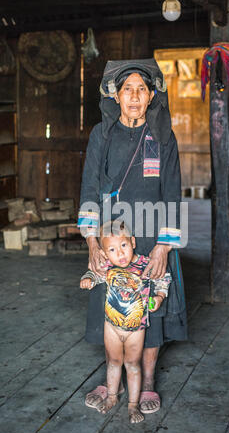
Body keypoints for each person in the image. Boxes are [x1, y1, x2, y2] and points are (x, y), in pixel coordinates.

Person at [78, 58, 187, 415]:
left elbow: (173, 192)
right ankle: (113, 379)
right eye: (128, 89)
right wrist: (93, 243)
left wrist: (162, 248)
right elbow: (90, 187)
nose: (135, 96)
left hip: (152, 237)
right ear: (116, 95)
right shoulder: (102, 134)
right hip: (113, 240)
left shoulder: (162, 136)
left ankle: (148, 382)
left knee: (150, 311)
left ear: (152, 94)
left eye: (142, 89)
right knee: (111, 308)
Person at [80, 220, 171, 423]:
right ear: (104, 252)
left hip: (136, 328)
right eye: (112, 249)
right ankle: (112, 397)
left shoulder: (145, 264)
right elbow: (94, 273)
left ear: (133, 241)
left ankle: (132, 405)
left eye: (123, 245)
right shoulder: (108, 266)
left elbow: (163, 278)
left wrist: (159, 297)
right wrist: (88, 279)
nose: (120, 254)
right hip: (111, 326)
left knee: (132, 364)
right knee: (113, 362)